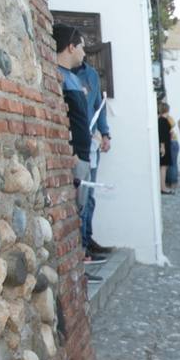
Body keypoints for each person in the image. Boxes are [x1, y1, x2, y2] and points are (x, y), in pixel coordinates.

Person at [54, 25, 97, 277]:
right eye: (81, 46)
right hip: (74, 156)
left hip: (82, 154)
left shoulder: (72, 77)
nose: (83, 52)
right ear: (71, 46)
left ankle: (79, 269)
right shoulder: (58, 77)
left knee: (79, 211)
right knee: (73, 214)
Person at [71, 46, 112, 259]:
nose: (82, 51)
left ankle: (86, 241)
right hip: (74, 143)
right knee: (78, 197)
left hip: (92, 143)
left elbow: (98, 107)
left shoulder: (91, 74)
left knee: (89, 196)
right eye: (79, 46)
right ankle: (81, 248)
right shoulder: (65, 76)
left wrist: (105, 133)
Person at [157, 102, 176, 195]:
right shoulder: (163, 121)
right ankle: (163, 187)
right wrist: (162, 147)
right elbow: (162, 135)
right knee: (163, 167)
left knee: (164, 166)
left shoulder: (161, 120)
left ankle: (163, 186)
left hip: (166, 145)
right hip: (164, 146)